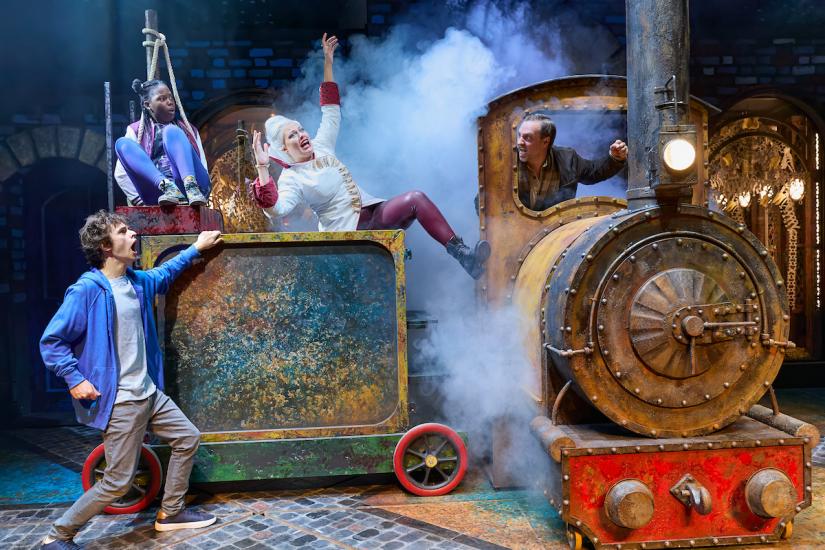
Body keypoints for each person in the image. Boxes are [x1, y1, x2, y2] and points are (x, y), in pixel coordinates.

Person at [39, 210, 222, 550]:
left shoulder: (136, 283)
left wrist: (196, 248)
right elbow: (52, 342)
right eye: (124, 232)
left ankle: (171, 513)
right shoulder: (87, 291)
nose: (133, 235)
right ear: (106, 246)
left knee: (187, 438)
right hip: (122, 400)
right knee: (117, 483)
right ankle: (58, 534)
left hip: (149, 393)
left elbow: (165, 273)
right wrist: (74, 378)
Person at [250, 34, 490, 279]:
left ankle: (463, 255)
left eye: (301, 129)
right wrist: (262, 166)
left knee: (415, 199)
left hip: (374, 216)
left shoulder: (322, 146)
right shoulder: (292, 179)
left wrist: (328, 63)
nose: (301, 134)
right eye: (292, 135)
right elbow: (276, 209)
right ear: (284, 149)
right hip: (350, 236)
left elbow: (331, 111)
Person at [114, 79, 211, 206]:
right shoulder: (136, 130)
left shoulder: (188, 130)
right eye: (162, 98)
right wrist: (140, 202)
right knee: (122, 144)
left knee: (171, 131)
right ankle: (168, 186)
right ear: (148, 105)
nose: (170, 102)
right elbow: (121, 174)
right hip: (161, 194)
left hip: (193, 190)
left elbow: (202, 164)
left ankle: (190, 186)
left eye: (170, 97)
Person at [516, 113, 628, 211]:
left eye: (527, 138)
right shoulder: (508, 161)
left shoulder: (568, 159)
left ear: (545, 141)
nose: (520, 142)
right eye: (519, 136)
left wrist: (615, 158)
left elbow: (594, 172)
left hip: (556, 231)